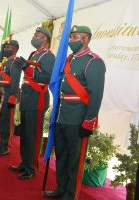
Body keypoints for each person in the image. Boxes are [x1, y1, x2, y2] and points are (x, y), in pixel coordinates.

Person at [43, 25, 106, 199]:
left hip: (78, 118)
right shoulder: (69, 59)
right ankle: (61, 189)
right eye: (70, 37)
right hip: (62, 115)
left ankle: (70, 195)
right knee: (62, 155)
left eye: (74, 37)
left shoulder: (94, 62)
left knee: (74, 161)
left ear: (85, 39)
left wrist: (88, 121)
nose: (70, 41)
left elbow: (96, 95)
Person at [11, 27, 55, 180]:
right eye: (35, 33)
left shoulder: (48, 56)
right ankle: (24, 163)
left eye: (37, 34)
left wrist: (26, 68)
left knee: (33, 135)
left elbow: (46, 77)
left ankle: (31, 168)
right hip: (28, 97)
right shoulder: (34, 54)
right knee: (25, 134)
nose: (34, 36)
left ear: (45, 38)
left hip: (37, 99)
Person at [0, 40, 22, 156]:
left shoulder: (15, 62)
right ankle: (1, 143)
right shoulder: (6, 62)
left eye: (8, 47)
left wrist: (12, 98)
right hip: (2, 94)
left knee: (7, 122)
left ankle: (6, 146)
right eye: (5, 47)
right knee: (2, 121)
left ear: (15, 49)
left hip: (9, 95)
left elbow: (15, 82)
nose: (5, 49)